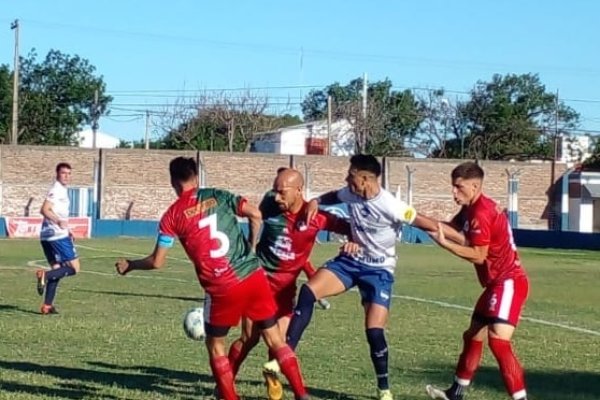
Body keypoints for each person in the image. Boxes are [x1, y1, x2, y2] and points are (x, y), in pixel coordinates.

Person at [114, 157, 309, 400]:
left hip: (222, 287)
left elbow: (157, 261)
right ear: (196, 177)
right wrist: (251, 245)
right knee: (275, 339)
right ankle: (302, 394)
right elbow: (255, 214)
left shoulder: (172, 217)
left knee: (217, 348)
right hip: (253, 276)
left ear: (173, 181)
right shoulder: (218, 195)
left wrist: (131, 265)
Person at [275, 154, 425, 400]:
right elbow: (335, 195)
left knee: (374, 332)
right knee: (308, 292)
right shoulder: (351, 193)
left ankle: (384, 388)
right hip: (351, 262)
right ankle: (284, 355)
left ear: (365, 179)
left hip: (379, 270)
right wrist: (316, 201)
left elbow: (425, 223)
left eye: (351, 175)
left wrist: (452, 235)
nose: (347, 179)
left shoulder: (391, 205)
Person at [227, 168, 350, 400]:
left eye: (282, 193)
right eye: (275, 191)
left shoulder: (316, 217)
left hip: (285, 291)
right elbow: (254, 218)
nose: (277, 197)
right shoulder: (270, 205)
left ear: (299, 191)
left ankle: (270, 375)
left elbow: (351, 229)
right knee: (251, 338)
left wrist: (356, 243)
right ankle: (225, 385)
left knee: (279, 344)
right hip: (259, 282)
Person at [422, 161, 529, 400]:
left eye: (458, 187)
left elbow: (478, 255)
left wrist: (445, 244)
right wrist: (417, 219)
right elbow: (451, 227)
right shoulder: (471, 208)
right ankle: (456, 393)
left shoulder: (481, 212)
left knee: (498, 341)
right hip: (495, 284)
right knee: (473, 335)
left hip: (508, 281)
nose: (453, 192)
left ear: (474, 186)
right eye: (452, 186)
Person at [35, 162, 80, 315]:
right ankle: (44, 275)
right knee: (74, 268)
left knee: (58, 269)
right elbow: (44, 209)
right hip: (56, 235)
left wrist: (68, 230)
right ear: (57, 174)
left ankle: (47, 306)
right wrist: (59, 222)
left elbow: (57, 212)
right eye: (63, 173)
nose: (66, 176)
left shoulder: (61, 190)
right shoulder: (57, 190)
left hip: (47, 236)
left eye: (69, 173)